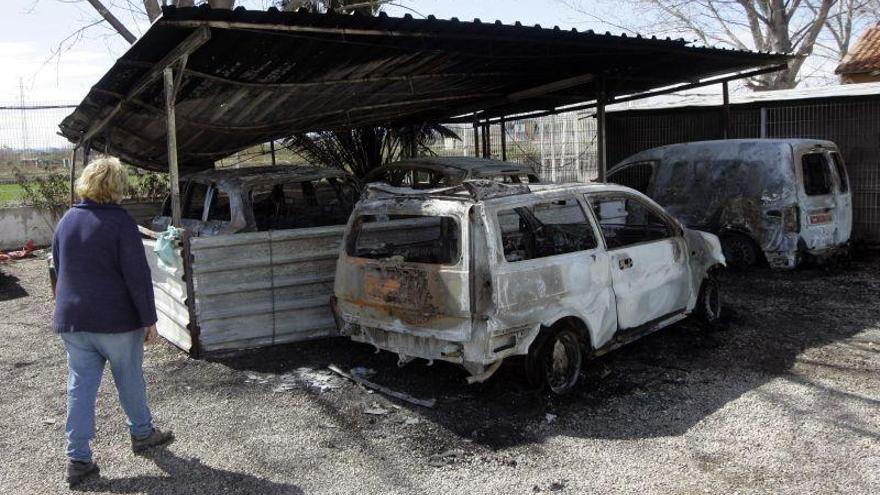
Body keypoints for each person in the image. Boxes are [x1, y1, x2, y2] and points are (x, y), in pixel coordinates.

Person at [52, 157, 173, 487]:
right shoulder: (121, 223)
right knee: (129, 377)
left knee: (80, 386)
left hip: (74, 323)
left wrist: (64, 306)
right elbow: (137, 275)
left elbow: (59, 271)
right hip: (117, 322)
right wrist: (149, 318)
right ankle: (143, 434)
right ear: (117, 186)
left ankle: (77, 460)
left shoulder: (67, 221)